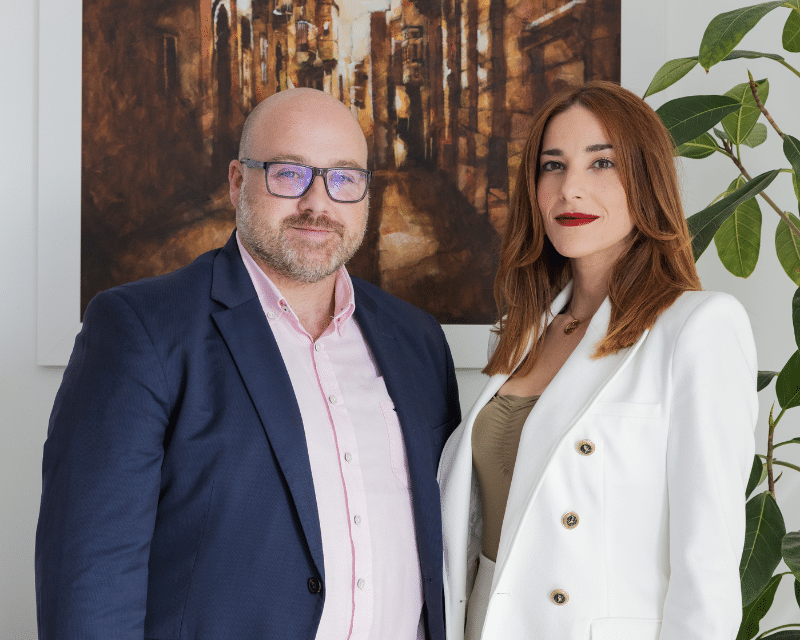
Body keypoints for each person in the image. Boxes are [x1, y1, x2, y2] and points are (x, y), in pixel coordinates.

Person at [36, 88, 461, 640]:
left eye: (344, 178)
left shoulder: (417, 340)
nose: (318, 203)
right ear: (238, 182)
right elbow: (90, 583)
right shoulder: (140, 329)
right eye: (289, 174)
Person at [438, 81, 758, 640]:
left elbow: (706, 565)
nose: (570, 189)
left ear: (646, 179)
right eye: (553, 166)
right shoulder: (518, 334)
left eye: (601, 163)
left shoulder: (699, 327)